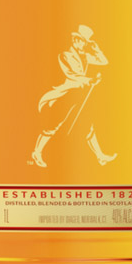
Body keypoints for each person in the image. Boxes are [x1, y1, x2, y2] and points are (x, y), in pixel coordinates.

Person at [30, 25, 117, 168]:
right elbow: (73, 75)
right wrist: (90, 80)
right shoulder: (65, 55)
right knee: (53, 125)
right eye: (78, 39)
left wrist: (96, 48)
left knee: (88, 126)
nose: (79, 42)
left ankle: (100, 156)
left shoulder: (85, 56)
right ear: (74, 40)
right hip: (66, 94)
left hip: (80, 95)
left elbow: (104, 61)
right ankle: (37, 153)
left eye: (83, 41)